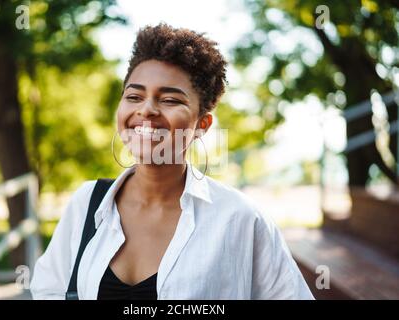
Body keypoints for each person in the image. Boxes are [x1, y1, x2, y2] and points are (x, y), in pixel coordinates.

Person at [30, 23, 314, 300]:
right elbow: (48, 289)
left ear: (202, 124)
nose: (147, 109)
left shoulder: (240, 218)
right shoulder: (87, 204)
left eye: (169, 99)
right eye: (134, 96)